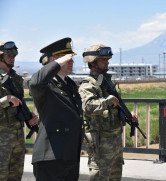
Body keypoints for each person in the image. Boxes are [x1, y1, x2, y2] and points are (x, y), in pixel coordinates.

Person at [79, 44, 138, 180]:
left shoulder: (107, 83)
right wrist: (108, 101)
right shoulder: (88, 84)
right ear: (93, 62)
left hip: (115, 142)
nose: (107, 62)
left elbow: (114, 109)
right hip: (100, 144)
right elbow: (87, 106)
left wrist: (127, 116)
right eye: (103, 60)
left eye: (107, 59)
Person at [29, 37, 84, 181]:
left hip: (69, 154)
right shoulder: (46, 85)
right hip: (51, 156)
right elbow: (34, 83)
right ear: (54, 60)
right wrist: (56, 63)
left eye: (71, 58)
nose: (71, 61)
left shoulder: (69, 84)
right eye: (67, 58)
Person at [0, 41, 38, 180]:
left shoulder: (15, 78)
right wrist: (5, 100)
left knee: (16, 176)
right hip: (1, 136)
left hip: (17, 135)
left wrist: (29, 116)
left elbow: (20, 102)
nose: (12, 58)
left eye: (14, 55)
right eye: (8, 55)